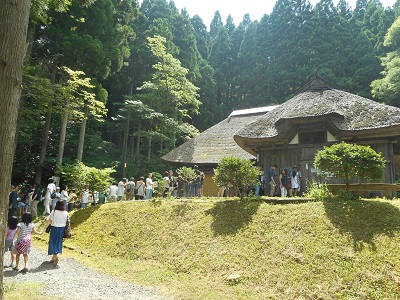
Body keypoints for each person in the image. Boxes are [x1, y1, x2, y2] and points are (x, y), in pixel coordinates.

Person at [44, 200, 68, 267]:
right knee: (58, 243)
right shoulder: (66, 213)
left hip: (54, 229)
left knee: (52, 242)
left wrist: (44, 228)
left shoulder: (54, 212)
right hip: (62, 229)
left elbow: (49, 221)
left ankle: (56, 257)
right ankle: (53, 258)